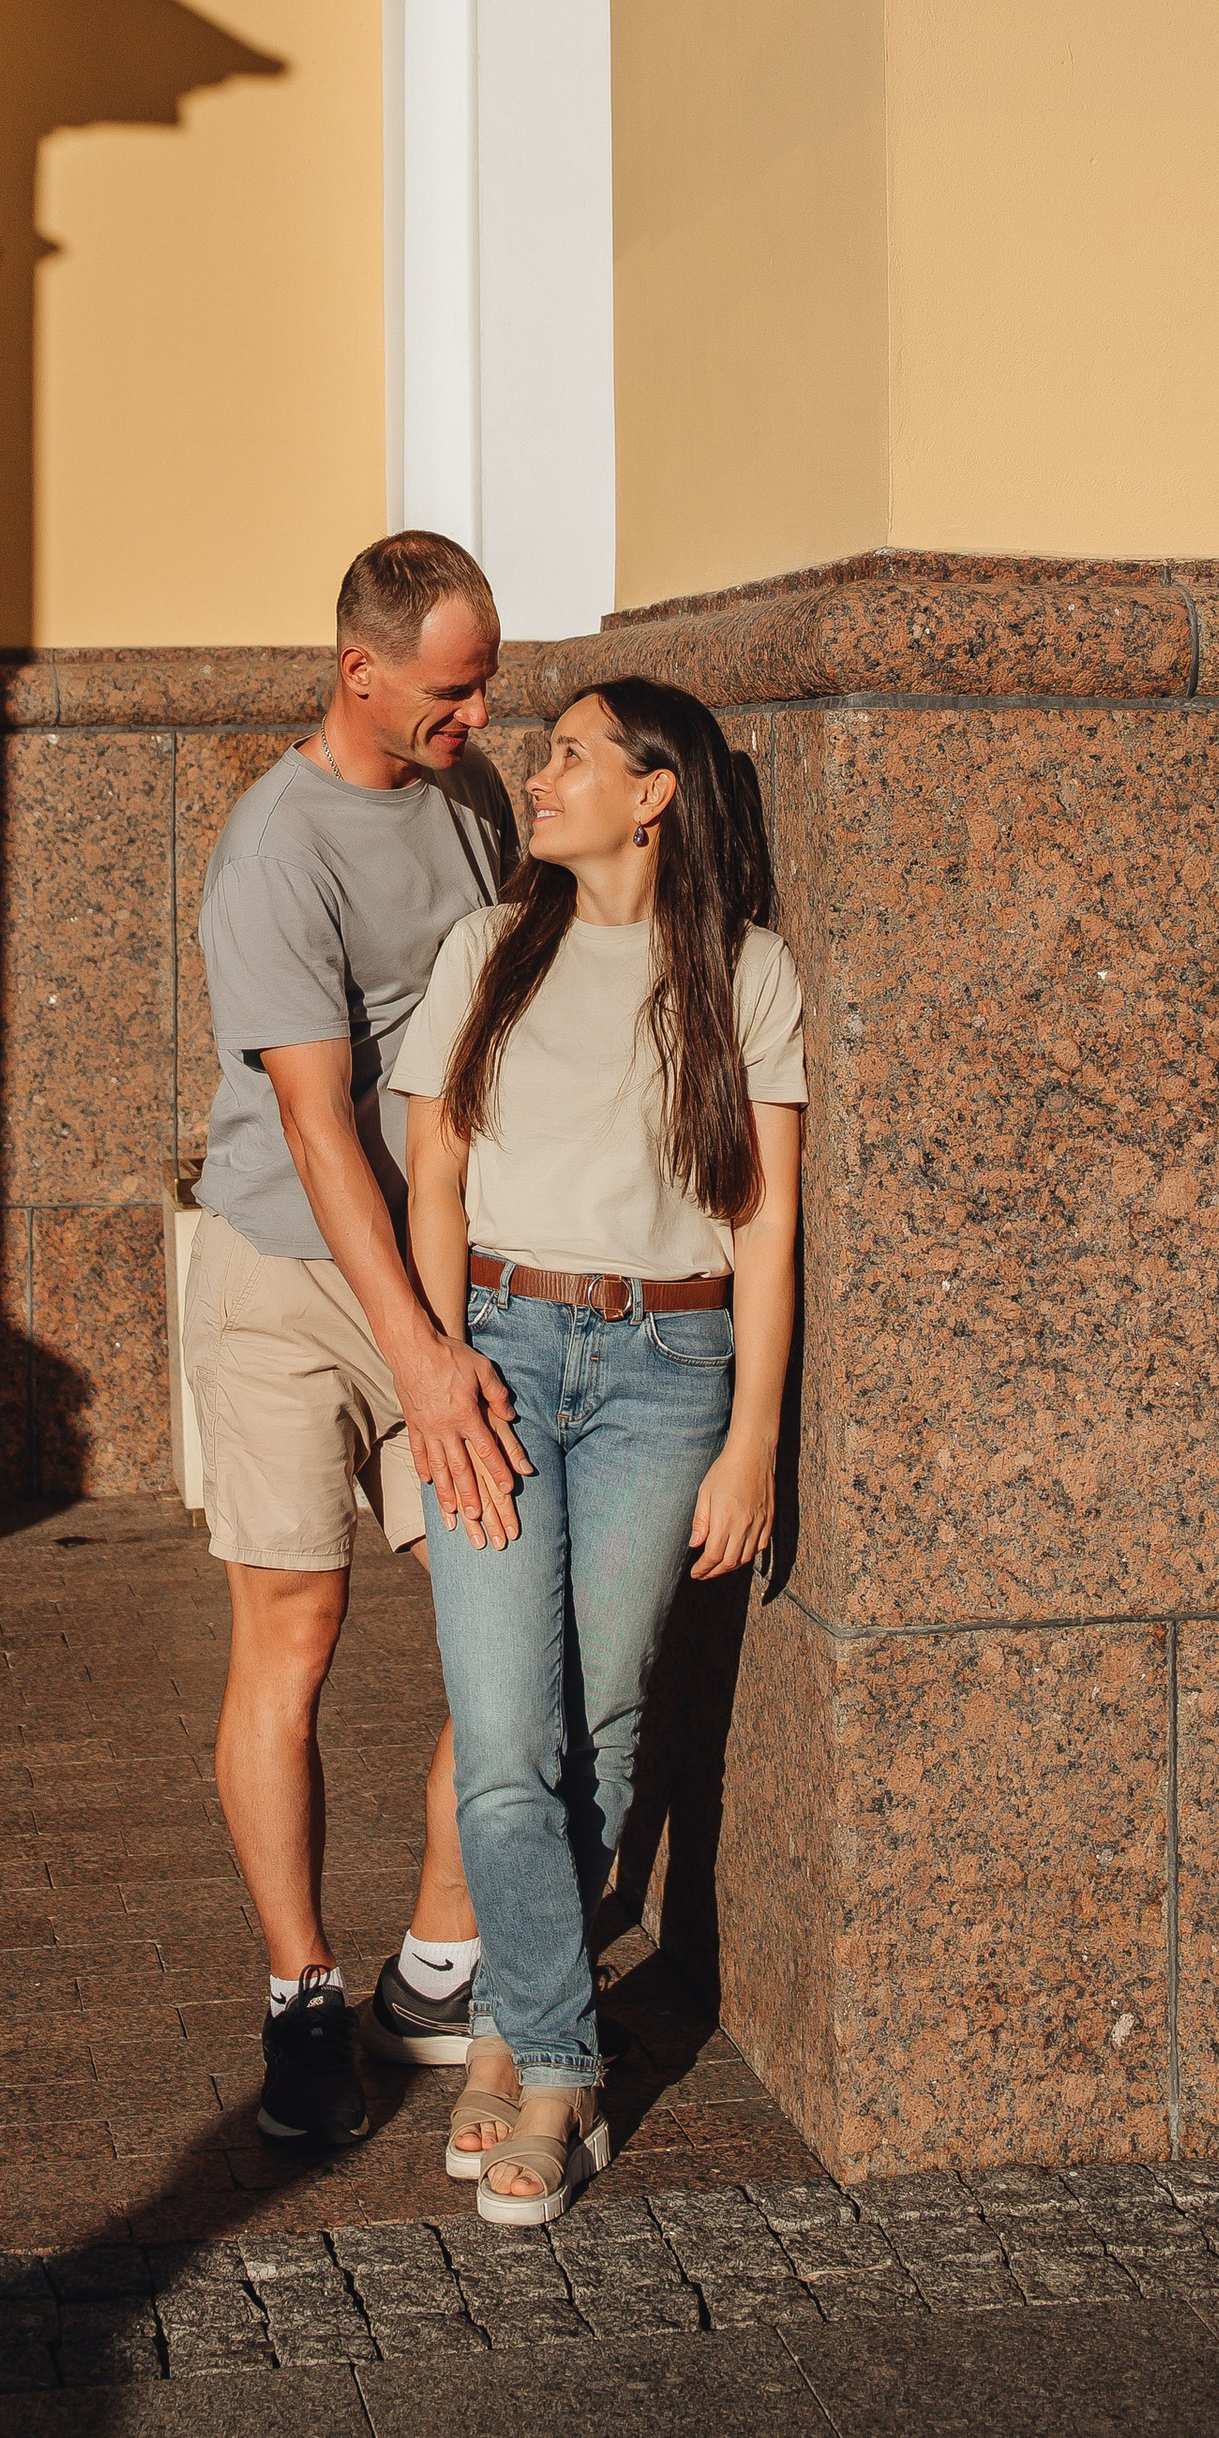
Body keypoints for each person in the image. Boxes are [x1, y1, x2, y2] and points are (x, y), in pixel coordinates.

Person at [389, 676, 803, 2228]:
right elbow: (432, 1175)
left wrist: (754, 1438)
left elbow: (764, 1224)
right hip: (496, 1356)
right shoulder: (488, 953)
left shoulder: (745, 975)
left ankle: (506, 2040)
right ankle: (564, 2069)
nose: (537, 774)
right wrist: (436, 1376)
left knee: (607, 1726)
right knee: (506, 1742)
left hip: (669, 1370)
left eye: (569, 753)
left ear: (656, 794)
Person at [185, 529, 535, 2150]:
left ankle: (440, 1962)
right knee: (296, 1637)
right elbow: (322, 1131)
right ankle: (301, 1994)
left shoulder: (466, 797)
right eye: (452, 689)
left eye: (483, 684)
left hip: (441, 1258)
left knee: (503, 1600)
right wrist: (415, 1347)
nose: (479, 715)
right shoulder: (276, 848)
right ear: (361, 669)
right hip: (289, 1275)